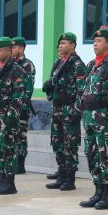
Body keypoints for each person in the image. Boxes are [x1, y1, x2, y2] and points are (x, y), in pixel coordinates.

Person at [77, 28, 108, 210]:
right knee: (92, 154)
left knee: (107, 156)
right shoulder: (91, 64)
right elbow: (83, 89)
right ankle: (97, 191)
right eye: (94, 41)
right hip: (89, 117)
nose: (95, 44)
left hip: (105, 118)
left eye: (99, 41)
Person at [0, 37, 29, 195]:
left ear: (9, 50)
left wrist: (11, 115)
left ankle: (9, 182)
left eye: (0, 50)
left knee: (8, 148)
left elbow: (18, 95)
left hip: (7, 114)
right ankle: (0, 178)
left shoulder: (17, 70)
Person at [43, 32, 86, 191]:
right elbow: (53, 81)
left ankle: (70, 178)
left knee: (70, 145)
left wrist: (76, 110)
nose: (60, 46)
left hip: (70, 109)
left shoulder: (77, 64)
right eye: (59, 43)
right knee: (57, 143)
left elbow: (81, 90)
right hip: (57, 108)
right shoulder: (58, 62)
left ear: (73, 45)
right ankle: (61, 174)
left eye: (64, 43)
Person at [11, 36, 35, 175]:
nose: (12, 50)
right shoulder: (9, 64)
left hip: (22, 106)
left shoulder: (27, 65)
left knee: (21, 135)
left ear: (21, 48)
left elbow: (28, 88)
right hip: (10, 106)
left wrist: (23, 106)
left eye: (14, 47)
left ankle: (20, 163)